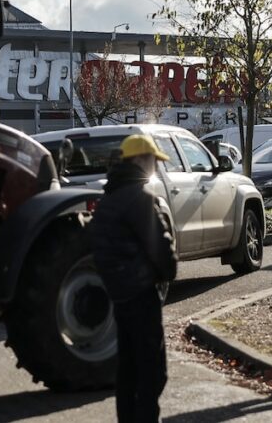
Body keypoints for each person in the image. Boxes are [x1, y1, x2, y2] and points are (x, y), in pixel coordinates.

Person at [85, 134, 177, 423]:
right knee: (153, 371)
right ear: (140, 160)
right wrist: (168, 272)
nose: (155, 166)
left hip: (120, 294)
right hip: (142, 293)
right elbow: (160, 246)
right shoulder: (141, 198)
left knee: (127, 368)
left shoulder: (108, 199)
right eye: (152, 160)